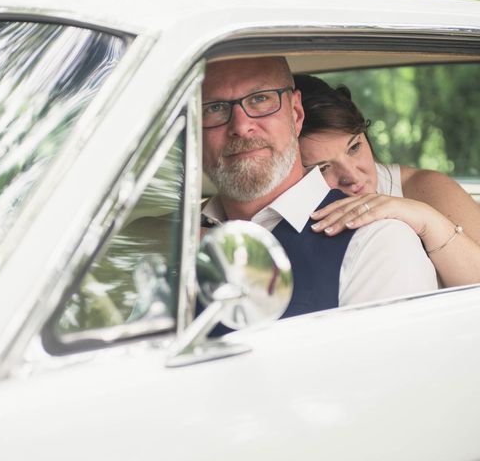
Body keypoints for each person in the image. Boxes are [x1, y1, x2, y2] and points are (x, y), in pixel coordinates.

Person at [200, 56, 437, 328]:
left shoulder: (377, 242)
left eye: (260, 99)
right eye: (214, 108)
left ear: (296, 114)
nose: (241, 127)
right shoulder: (177, 238)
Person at [295, 74, 480, 287]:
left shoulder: (424, 187)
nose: (352, 177)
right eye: (323, 168)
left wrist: (427, 220)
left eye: (354, 147)